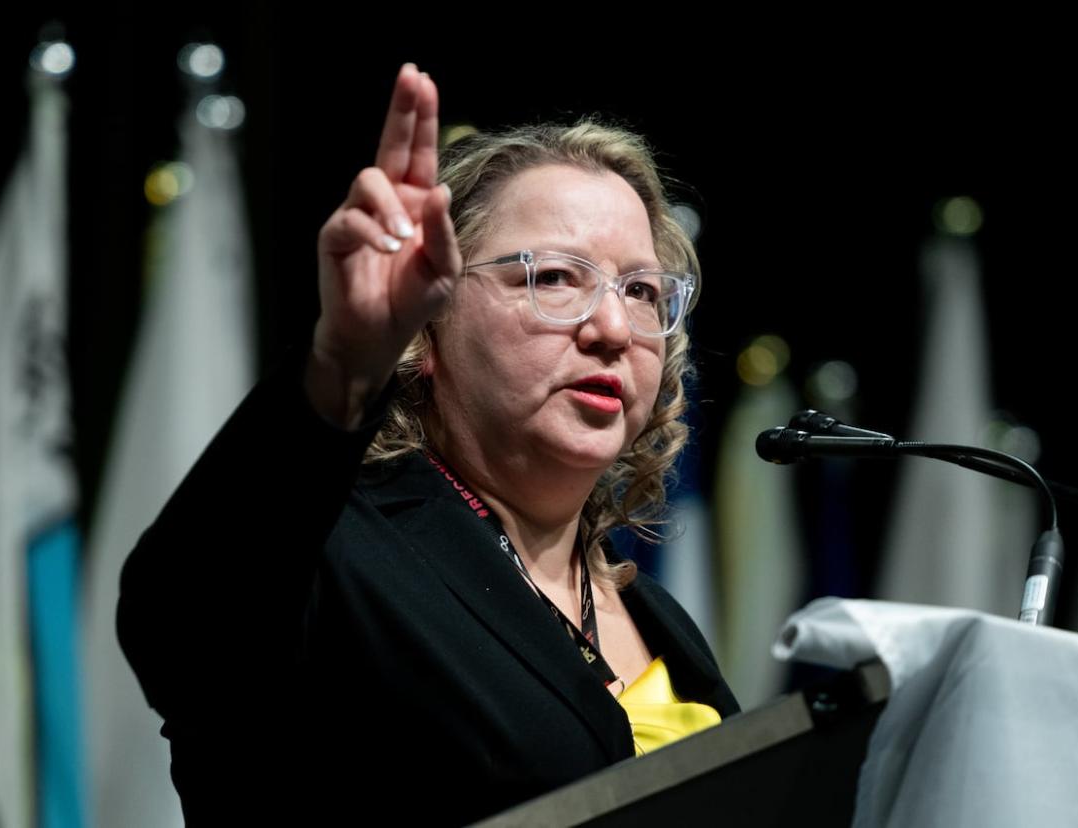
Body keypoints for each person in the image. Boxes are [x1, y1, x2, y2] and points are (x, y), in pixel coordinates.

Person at [117, 63, 738, 825]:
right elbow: (185, 615)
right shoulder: (334, 557)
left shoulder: (657, 616)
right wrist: (345, 362)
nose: (611, 328)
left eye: (641, 290)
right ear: (428, 325)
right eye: (554, 277)